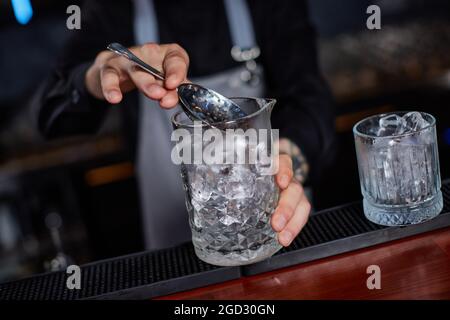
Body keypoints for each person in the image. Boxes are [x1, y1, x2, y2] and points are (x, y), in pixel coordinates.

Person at [37, 0, 335, 251]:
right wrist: (96, 73)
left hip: (273, 229)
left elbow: (311, 100)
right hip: (174, 256)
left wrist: (286, 164)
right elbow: (52, 116)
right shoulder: (115, 9)